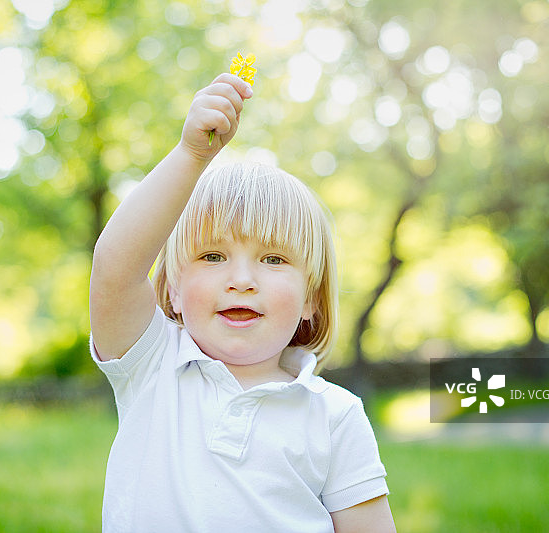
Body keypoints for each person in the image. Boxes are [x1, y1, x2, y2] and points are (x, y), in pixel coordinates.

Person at [89, 72, 397, 533]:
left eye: (273, 259)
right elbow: (114, 268)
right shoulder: (151, 365)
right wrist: (191, 155)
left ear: (311, 298)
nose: (241, 281)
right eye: (213, 257)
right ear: (172, 289)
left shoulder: (334, 415)